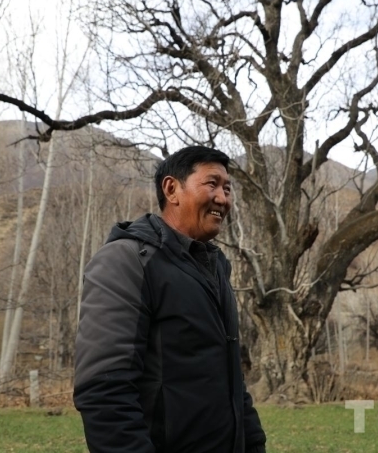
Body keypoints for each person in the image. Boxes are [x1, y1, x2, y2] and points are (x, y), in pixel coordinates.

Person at [74, 146, 267, 453]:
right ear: (171, 189)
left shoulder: (216, 269)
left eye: (228, 189)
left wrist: (254, 443)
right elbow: (104, 389)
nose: (223, 198)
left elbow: (232, 382)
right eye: (212, 184)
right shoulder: (127, 261)